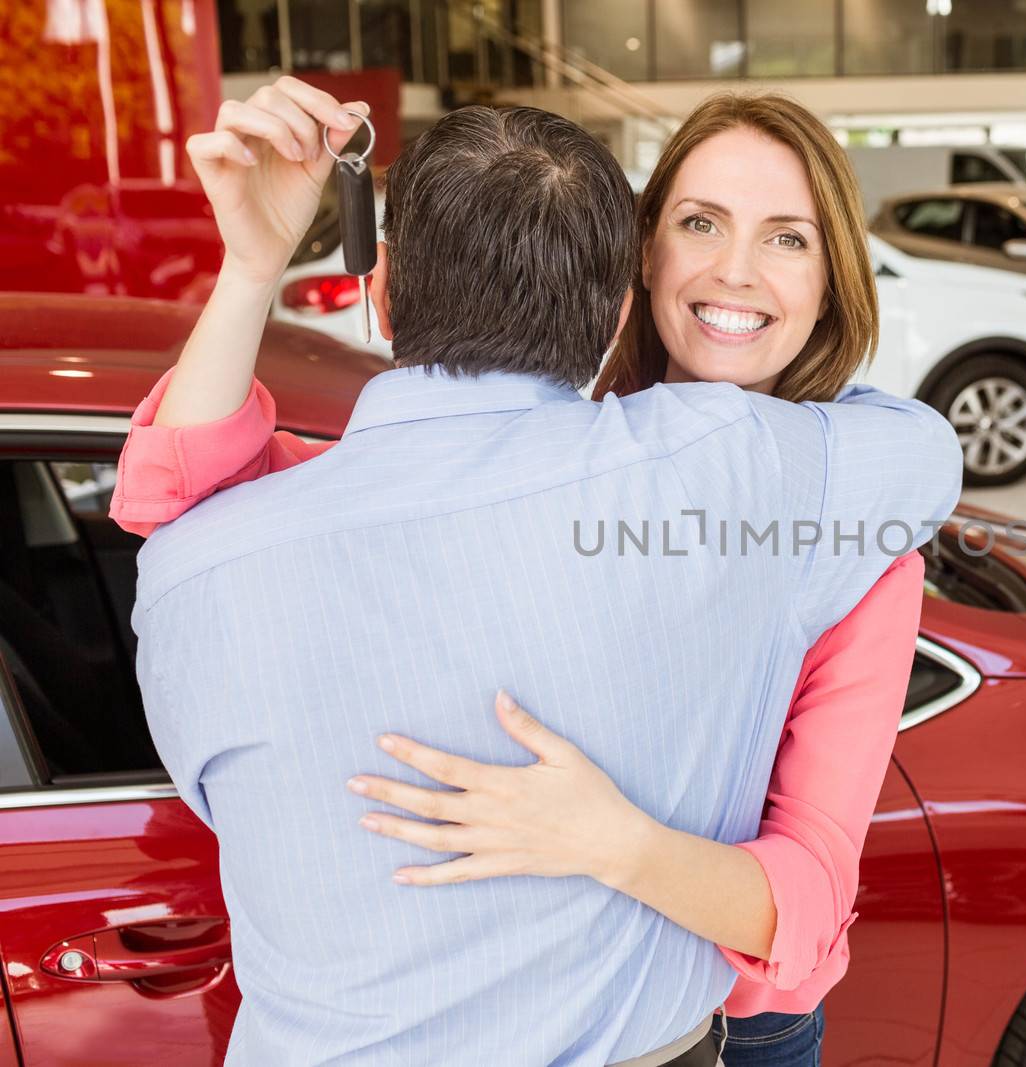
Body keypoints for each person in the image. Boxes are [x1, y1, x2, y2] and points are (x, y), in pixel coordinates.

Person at [126, 78, 960, 1066]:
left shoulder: (204, 563)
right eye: (699, 221)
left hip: (748, 1019)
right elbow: (190, 490)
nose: (736, 270)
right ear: (628, 286)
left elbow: (173, 503)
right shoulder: (769, 473)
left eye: (789, 237)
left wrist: (617, 842)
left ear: (381, 293)